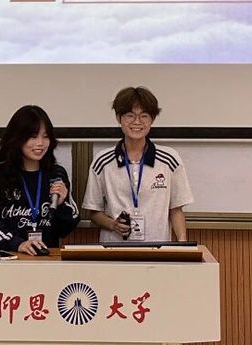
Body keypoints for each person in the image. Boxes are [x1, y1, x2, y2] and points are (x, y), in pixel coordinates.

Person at [82, 86, 193, 242]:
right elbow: (94, 212)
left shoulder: (170, 159)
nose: (137, 122)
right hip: (114, 250)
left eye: (144, 116)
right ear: (119, 118)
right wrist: (113, 225)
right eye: (130, 115)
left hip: (157, 249)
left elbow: (176, 210)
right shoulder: (103, 161)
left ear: (152, 119)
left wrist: (183, 245)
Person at [0, 104, 80, 255]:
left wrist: (62, 205)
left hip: (47, 258)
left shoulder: (56, 173)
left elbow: (66, 228)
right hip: (9, 257)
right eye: (33, 136)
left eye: (45, 136)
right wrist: (17, 243)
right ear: (17, 138)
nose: (40, 143)